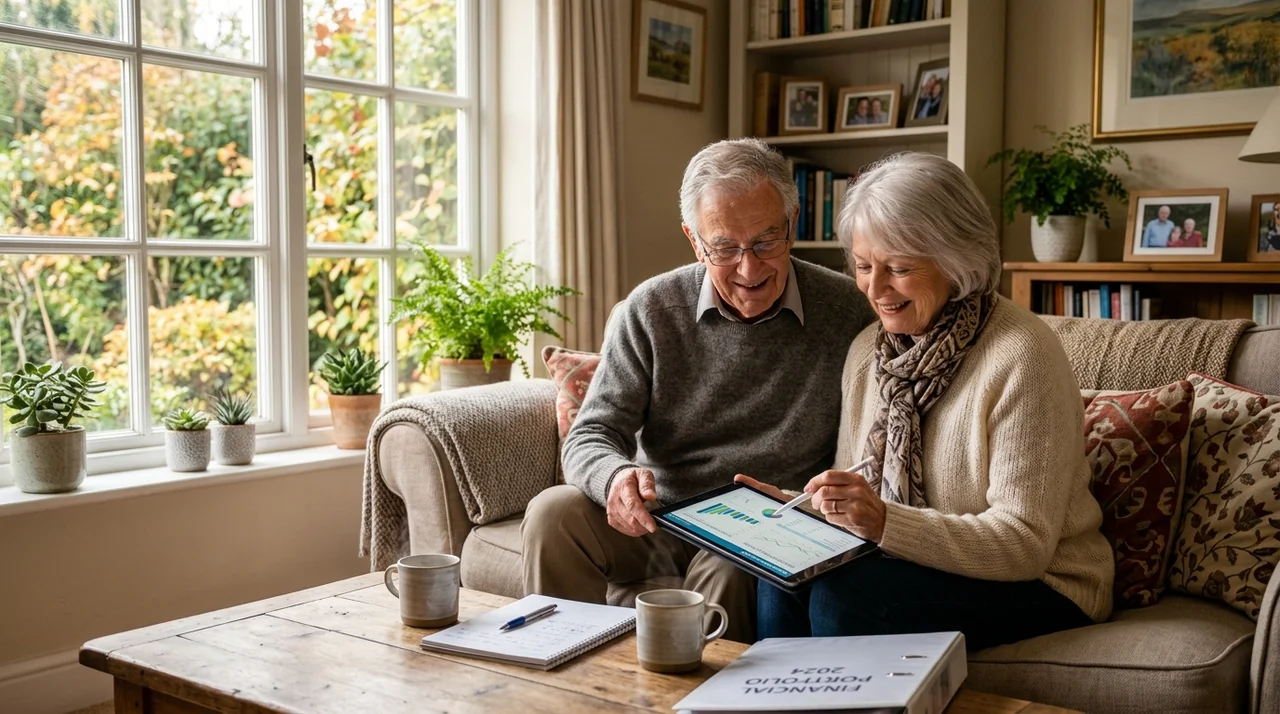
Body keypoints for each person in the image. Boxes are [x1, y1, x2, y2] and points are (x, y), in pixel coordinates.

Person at [735, 152, 1114, 651]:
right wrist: (802, 510)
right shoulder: (867, 352)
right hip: (910, 562)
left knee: (841, 598)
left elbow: (1025, 544)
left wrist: (885, 522)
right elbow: (860, 496)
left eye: (898, 268)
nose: (875, 288)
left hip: (1045, 583)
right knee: (782, 575)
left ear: (956, 260)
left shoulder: (1023, 354)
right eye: (863, 266)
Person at [521, 138, 878, 643]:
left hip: (767, 521)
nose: (749, 269)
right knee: (553, 515)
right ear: (694, 240)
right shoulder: (651, 309)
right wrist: (615, 478)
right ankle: (563, 671)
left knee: (733, 564)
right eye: (725, 248)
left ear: (792, 224)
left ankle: (706, 687)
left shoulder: (850, 312)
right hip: (660, 517)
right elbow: (591, 433)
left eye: (766, 242)